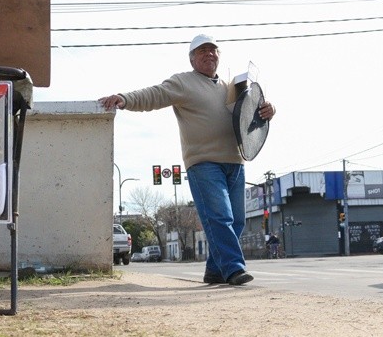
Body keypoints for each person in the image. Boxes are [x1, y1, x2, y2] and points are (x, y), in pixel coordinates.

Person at [98, 33, 276, 286]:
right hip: (204, 162)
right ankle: (234, 269)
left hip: (236, 160)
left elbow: (251, 114)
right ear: (192, 59)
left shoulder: (232, 87)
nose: (209, 54)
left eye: (213, 50)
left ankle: (214, 271)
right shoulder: (183, 82)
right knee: (219, 217)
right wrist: (125, 99)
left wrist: (269, 110)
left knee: (236, 221)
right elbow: (154, 94)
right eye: (202, 51)